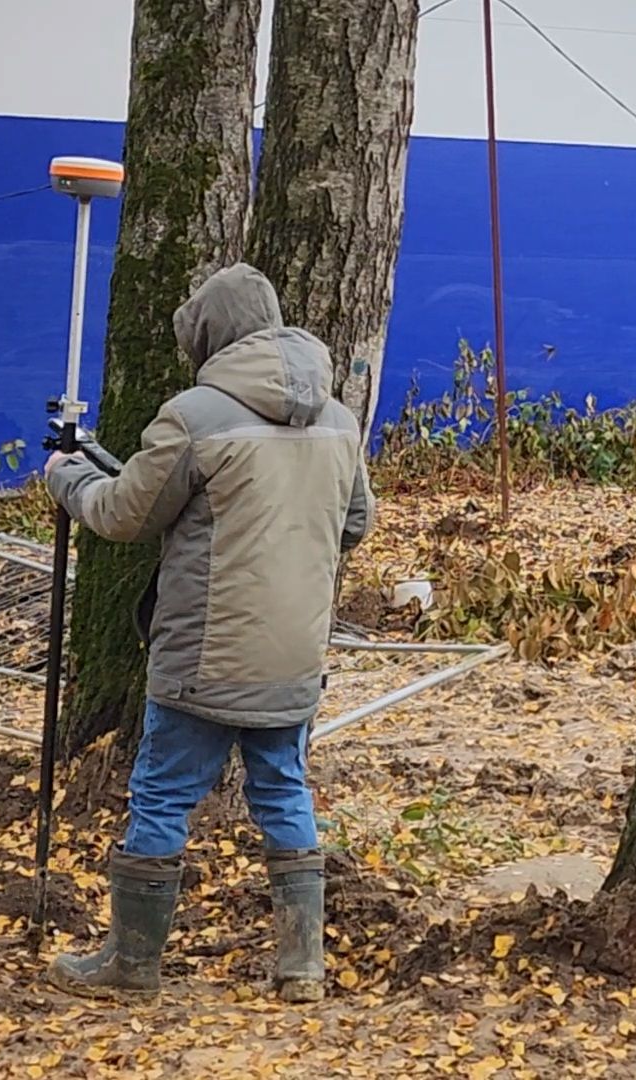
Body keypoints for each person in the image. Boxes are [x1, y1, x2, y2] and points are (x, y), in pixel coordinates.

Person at [41, 263, 371, 1004]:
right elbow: (354, 522)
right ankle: (301, 967)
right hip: (293, 655)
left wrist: (65, 476)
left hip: (204, 654)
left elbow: (126, 514)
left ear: (209, 337)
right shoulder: (339, 419)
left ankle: (132, 966)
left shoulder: (195, 417)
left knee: (160, 796)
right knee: (284, 791)